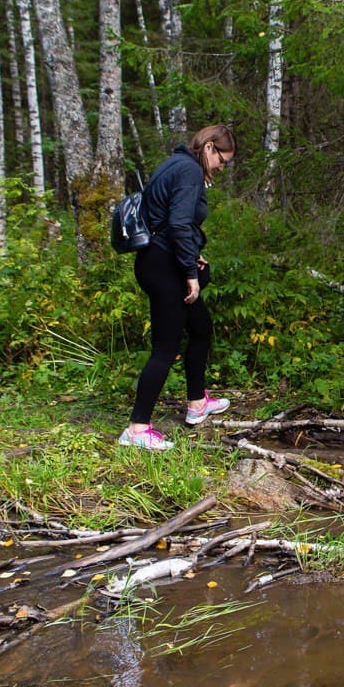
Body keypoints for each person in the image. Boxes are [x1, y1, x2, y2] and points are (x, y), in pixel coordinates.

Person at [119, 124, 236, 451]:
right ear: (209, 147)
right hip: (164, 267)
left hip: (160, 259)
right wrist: (190, 273)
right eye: (222, 161)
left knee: (200, 328)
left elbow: (167, 220)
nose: (221, 168)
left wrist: (191, 254)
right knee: (165, 348)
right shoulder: (189, 171)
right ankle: (137, 429)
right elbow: (179, 223)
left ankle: (197, 403)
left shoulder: (175, 163)